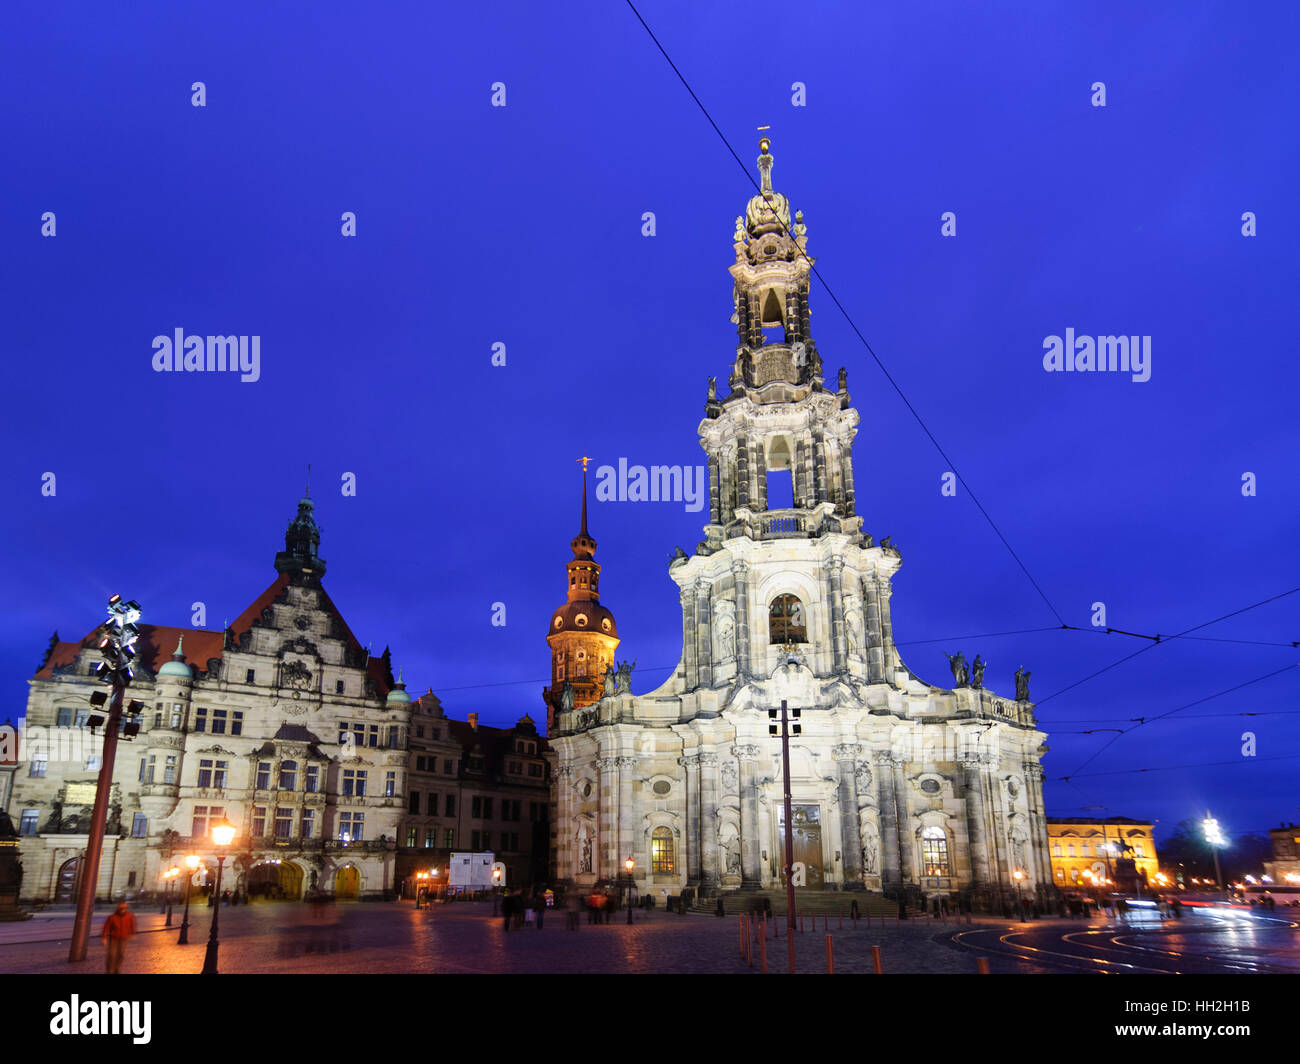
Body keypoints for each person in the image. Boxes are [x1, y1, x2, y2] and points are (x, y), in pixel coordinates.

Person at [101, 901, 136, 974]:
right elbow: (106, 927)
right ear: (118, 909)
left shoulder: (130, 916)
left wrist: (133, 933)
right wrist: (104, 938)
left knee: (121, 955)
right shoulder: (112, 917)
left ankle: (117, 968)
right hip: (114, 938)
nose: (123, 910)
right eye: (121, 908)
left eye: (124, 908)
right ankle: (110, 971)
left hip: (124, 938)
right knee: (111, 955)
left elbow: (133, 925)